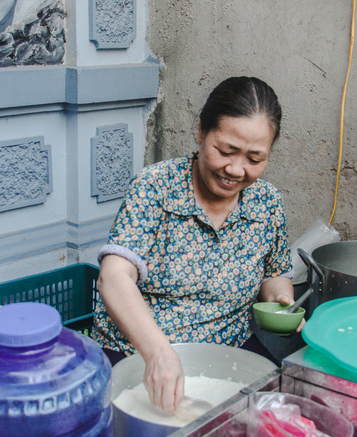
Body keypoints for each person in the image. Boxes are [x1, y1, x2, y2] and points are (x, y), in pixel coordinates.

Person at [92, 76, 303, 415]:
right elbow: (113, 277)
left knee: (282, 415)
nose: (236, 169)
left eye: (255, 158)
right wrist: (158, 354)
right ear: (201, 132)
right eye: (225, 151)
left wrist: (281, 298)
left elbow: (274, 273)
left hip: (229, 352)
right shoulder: (156, 188)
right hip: (139, 352)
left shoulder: (266, 202)